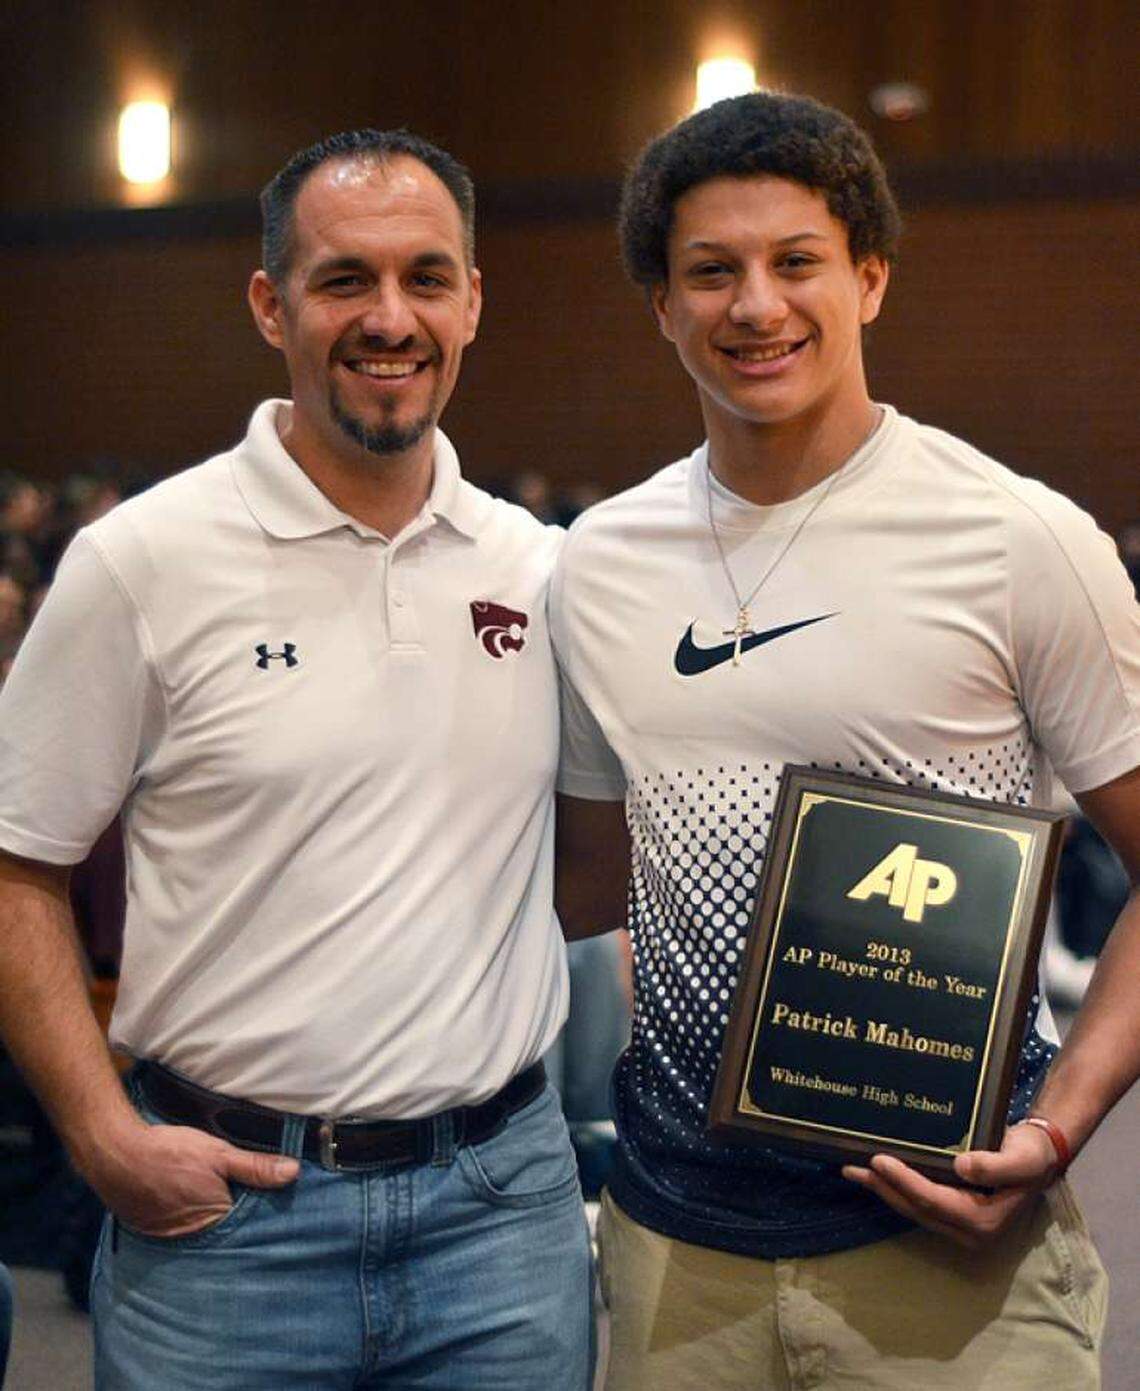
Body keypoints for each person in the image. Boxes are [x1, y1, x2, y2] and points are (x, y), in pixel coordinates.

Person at [552, 92, 1140, 1389]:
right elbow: (585, 882)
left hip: (955, 1255)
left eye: (795, 261)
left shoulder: (1018, 539)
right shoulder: (595, 565)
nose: (755, 303)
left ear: (868, 277)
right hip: (675, 1249)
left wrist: (1060, 1125)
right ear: (662, 303)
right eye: (711, 270)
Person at [0, 128, 590, 1390]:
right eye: (344, 281)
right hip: (225, 1227)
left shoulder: (542, 570)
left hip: (502, 1216)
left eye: (428, 278)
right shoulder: (142, 562)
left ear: (473, 303)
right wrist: (100, 1134)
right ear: (272, 304)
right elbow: (14, 867)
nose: (391, 317)